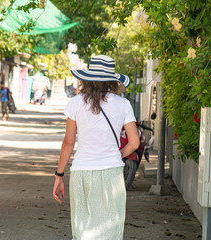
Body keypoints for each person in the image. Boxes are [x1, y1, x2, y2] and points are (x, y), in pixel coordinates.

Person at [53, 55, 140, 240]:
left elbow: (68, 143)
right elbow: (134, 142)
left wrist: (59, 175)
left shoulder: (76, 103)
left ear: (89, 78)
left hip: (82, 172)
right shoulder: (123, 104)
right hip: (112, 173)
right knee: (109, 229)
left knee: (83, 228)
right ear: (112, 80)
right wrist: (118, 154)